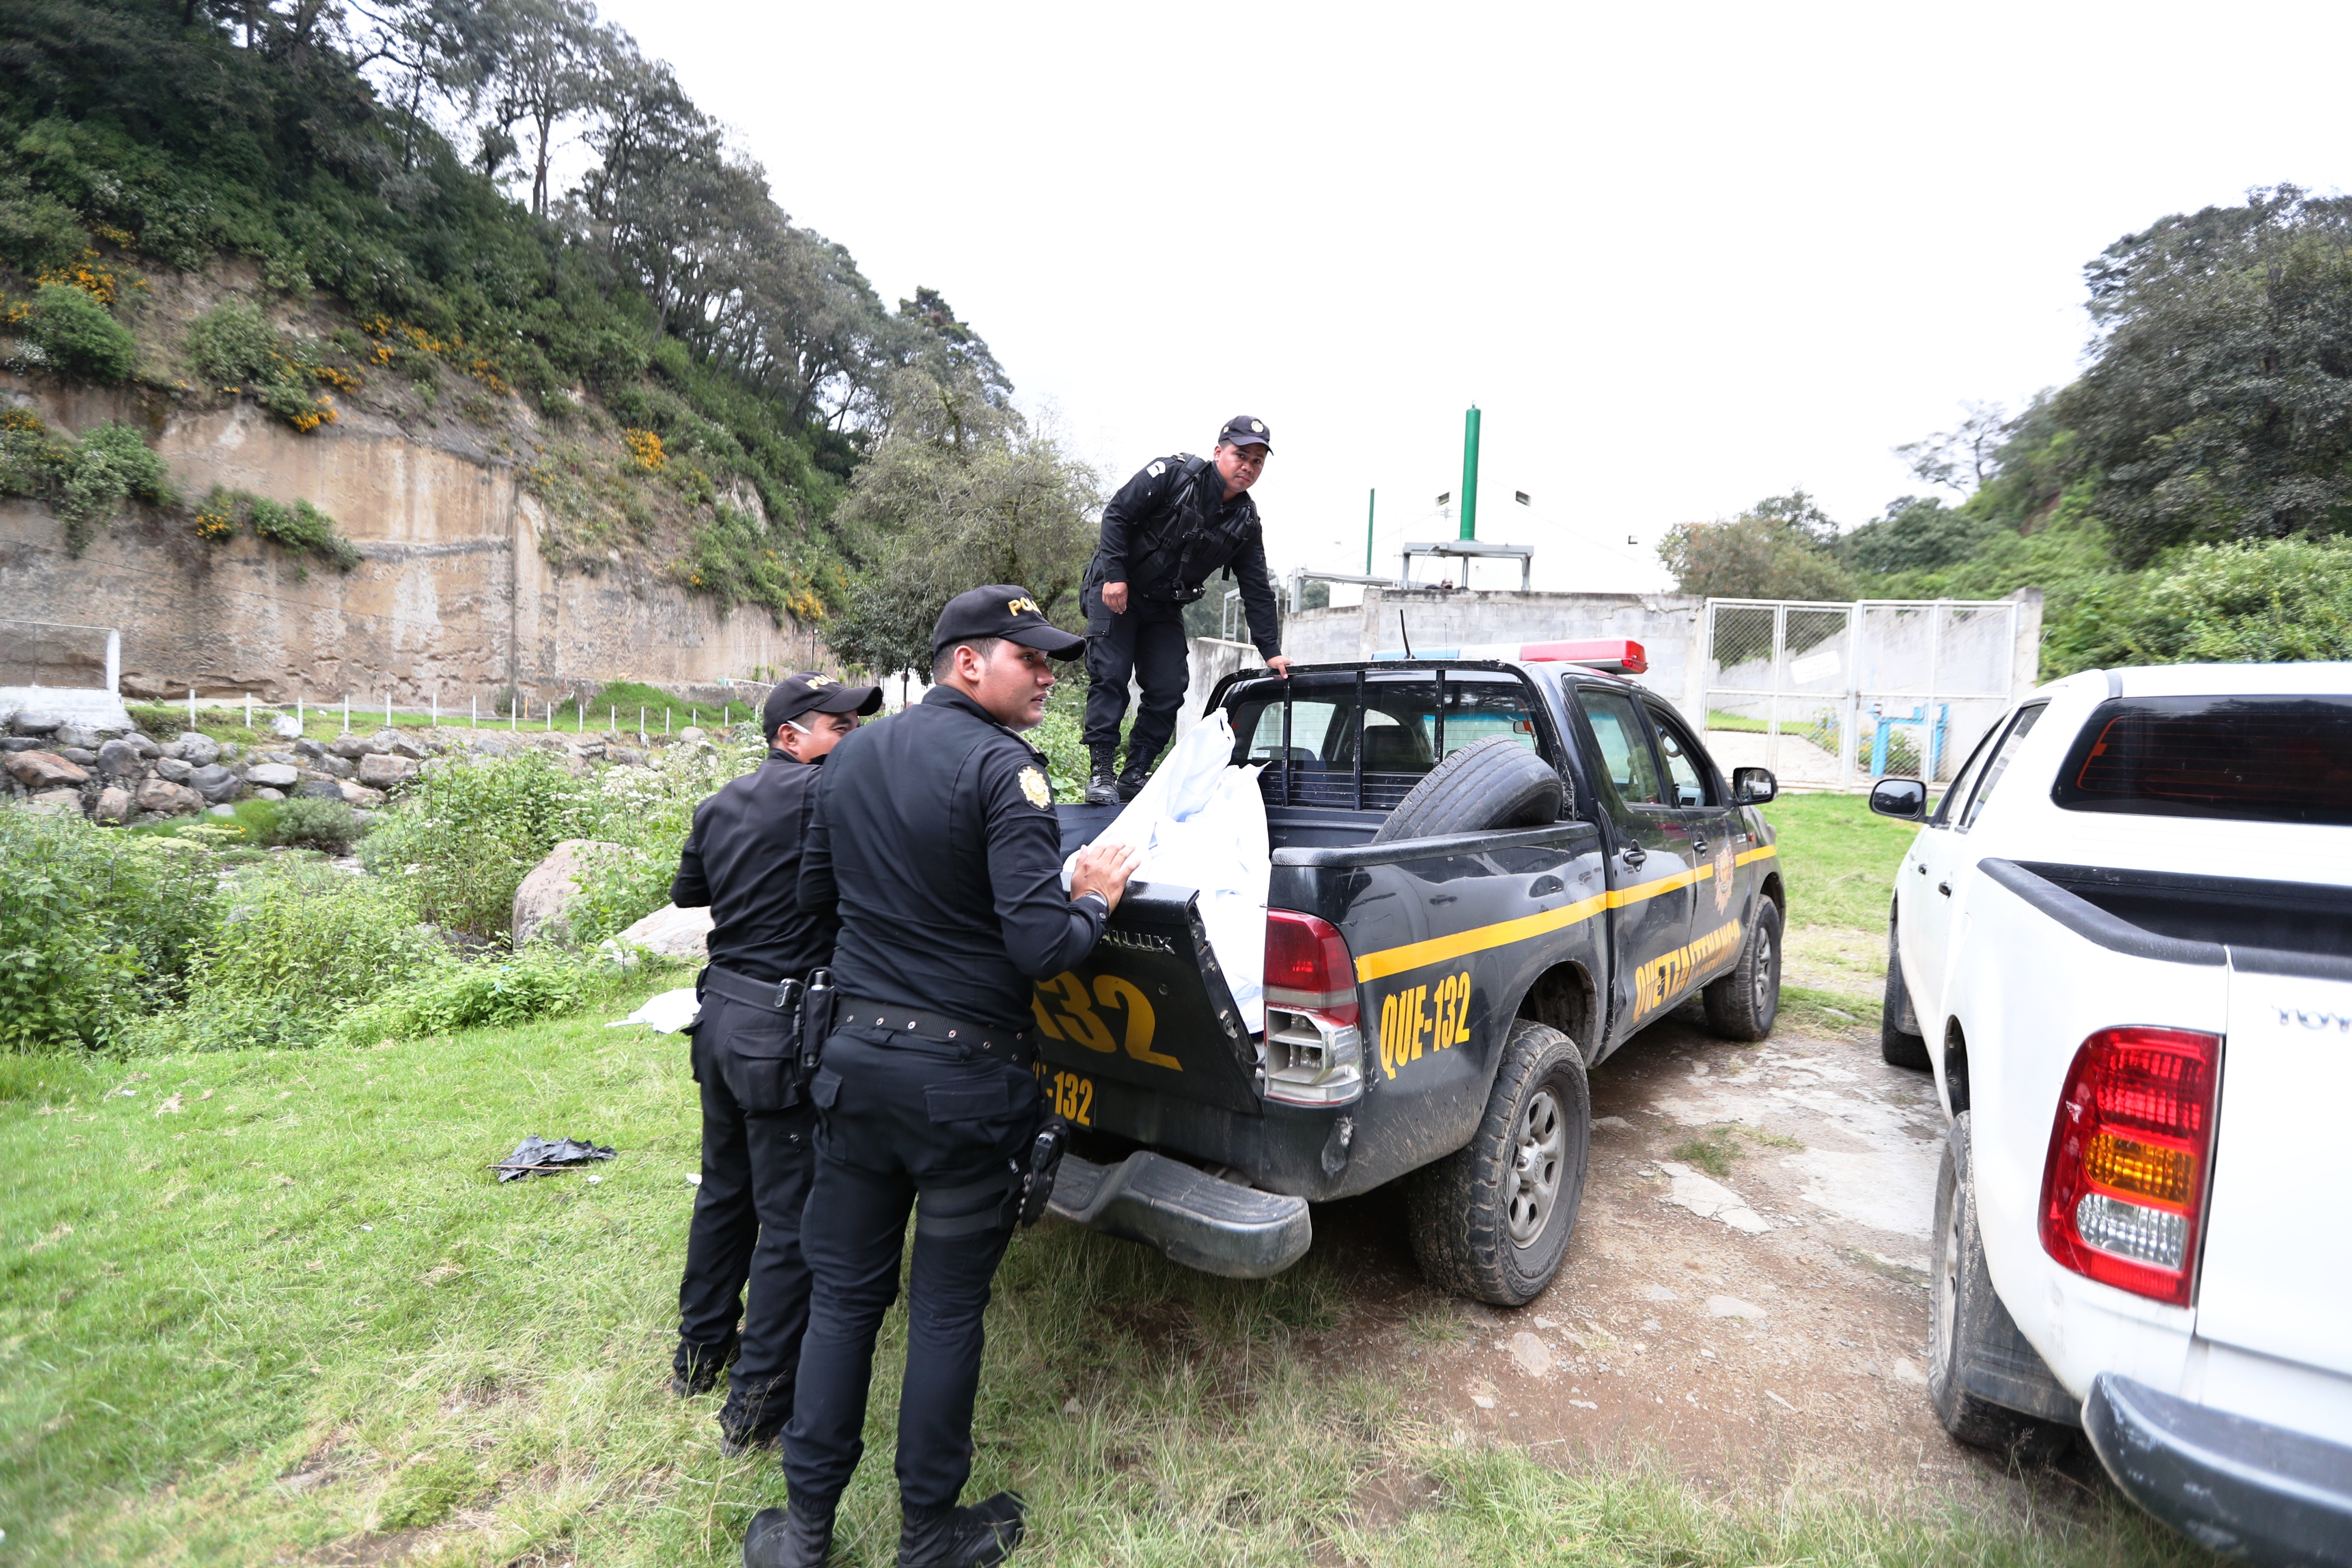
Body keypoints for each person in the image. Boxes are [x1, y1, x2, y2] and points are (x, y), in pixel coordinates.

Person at [740, 588, 1140, 1568]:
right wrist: (1090, 899)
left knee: (842, 1298)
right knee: (945, 1308)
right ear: (968, 662)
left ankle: (803, 1532)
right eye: (1031, 657)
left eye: (1054, 660)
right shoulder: (1006, 772)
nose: (1050, 673)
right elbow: (1041, 946)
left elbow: (814, 902)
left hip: (854, 1068)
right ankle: (928, 1535)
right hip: (962, 1084)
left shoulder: (850, 758)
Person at [668, 670, 882, 1456]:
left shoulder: (719, 802)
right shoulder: (830, 800)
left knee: (725, 1192)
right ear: (790, 737)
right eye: (839, 727)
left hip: (719, 1017)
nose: (853, 739)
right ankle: (755, 1407)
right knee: (792, 1224)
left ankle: (697, 1357)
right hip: (781, 1031)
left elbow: (691, 893)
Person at [1082, 414, 1294, 806]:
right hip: (1118, 591)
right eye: (1240, 455)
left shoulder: (1246, 521)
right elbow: (1117, 514)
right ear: (1219, 452)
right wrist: (1113, 575)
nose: (1248, 466)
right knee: (1111, 676)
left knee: (1168, 687)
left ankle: (1135, 774)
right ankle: (1101, 773)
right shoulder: (1173, 474)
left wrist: (1271, 649)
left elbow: (1257, 588)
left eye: (1257, 461)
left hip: (1163, 606)